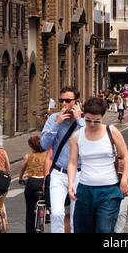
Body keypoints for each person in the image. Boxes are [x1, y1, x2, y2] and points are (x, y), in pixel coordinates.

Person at [68, 97, 128, 233]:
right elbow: (72, 163)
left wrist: (124, 179)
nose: (91, 124)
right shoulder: (77, 136)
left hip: (109, 191)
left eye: (96, 121)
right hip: (85, 190)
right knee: (83, 230)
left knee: (104, 229)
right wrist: (71, 183)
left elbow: (125, 156)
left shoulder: (112, 132)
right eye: (88, 120)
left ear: (102, 117)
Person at [40, 86, 84, 233]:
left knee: (75, 216)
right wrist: (56, 123)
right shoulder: (53, 119)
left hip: (79, 174)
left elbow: (90, 143)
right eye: (62, 100)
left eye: (68, 100)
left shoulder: (84, 120)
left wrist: (79, 120)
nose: (64, 103)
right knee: (57, 213)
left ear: (76, 102)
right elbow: (44, 144)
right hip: (58, 173)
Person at [19, 136, 47, 233]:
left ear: (32, 147)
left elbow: (22, 169)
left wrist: (20, 178)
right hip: (43, 182)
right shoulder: (47, 156)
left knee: (30, 211)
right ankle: (47, 211)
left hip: (32, 183)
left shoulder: (28, 156)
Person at [0, 135, 11, 232]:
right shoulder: (3, 152)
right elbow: (9, 169)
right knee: (1, 204)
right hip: (2, 183)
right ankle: (4, 224)